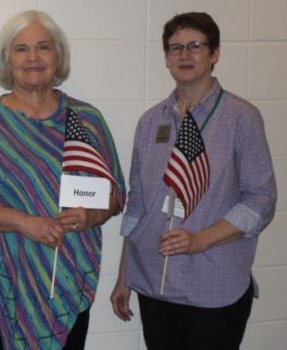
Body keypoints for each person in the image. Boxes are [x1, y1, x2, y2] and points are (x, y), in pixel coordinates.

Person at [0, 10, 126, 349]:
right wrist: (24, 222)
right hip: (2, 278)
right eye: (21, 49)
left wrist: (93, 215)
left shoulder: (87, 120)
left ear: (58, 56)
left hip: (67, 278)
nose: (33, 57)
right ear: (7, 59)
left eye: (43, 47)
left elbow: (115, 193)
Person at [110, 12, 277, 350]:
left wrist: (201, 240)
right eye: (175, 48)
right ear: (166, 59)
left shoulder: (242, 118)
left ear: (214, 54)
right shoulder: (150, 122)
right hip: (155, 282)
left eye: (195, 46)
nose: (184, 55)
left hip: (214, 285)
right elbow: (138, 206)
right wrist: (124, 278)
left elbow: (261, 201)